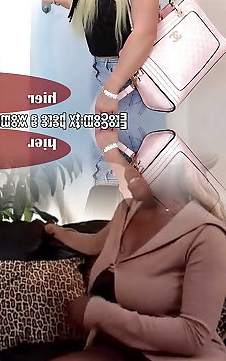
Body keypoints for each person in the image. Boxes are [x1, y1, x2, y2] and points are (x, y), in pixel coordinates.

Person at [46, 129, 226, 361]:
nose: (130, 170)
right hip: (115, 347)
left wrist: (97, 312)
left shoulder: (207, 235)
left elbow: (193, 335)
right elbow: (94, 243)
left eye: (141, 165)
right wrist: (59, 232)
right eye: (133, 162)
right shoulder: (126, 211)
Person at [42, 0, 163, 187]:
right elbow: (96, 8)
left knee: (118, 165)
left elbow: (145, 31)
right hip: (106, 72)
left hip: (126, 75)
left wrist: (111, 89)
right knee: (111, 165)